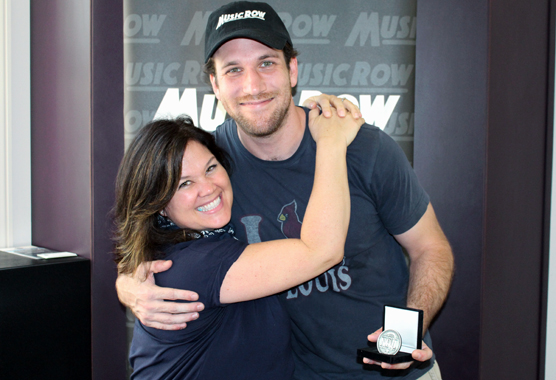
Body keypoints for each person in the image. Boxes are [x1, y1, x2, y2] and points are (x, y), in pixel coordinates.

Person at [116, 1, 454, 379]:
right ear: (214, 83)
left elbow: (431, 247)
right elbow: (162, 236)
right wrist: (129, 284)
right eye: (233, 70)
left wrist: (406, 336)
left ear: (292, 68)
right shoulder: (213, 167)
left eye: (266, 63)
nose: (253, 86)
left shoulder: (362, 146)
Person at [114, 113, 362, 379]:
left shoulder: (200, 238)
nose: (208, 188)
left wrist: (124, 282)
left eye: (210, 168)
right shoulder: (197, 264)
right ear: (159, 205)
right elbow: (323, 250)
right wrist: (331, 143)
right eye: (185, 183)